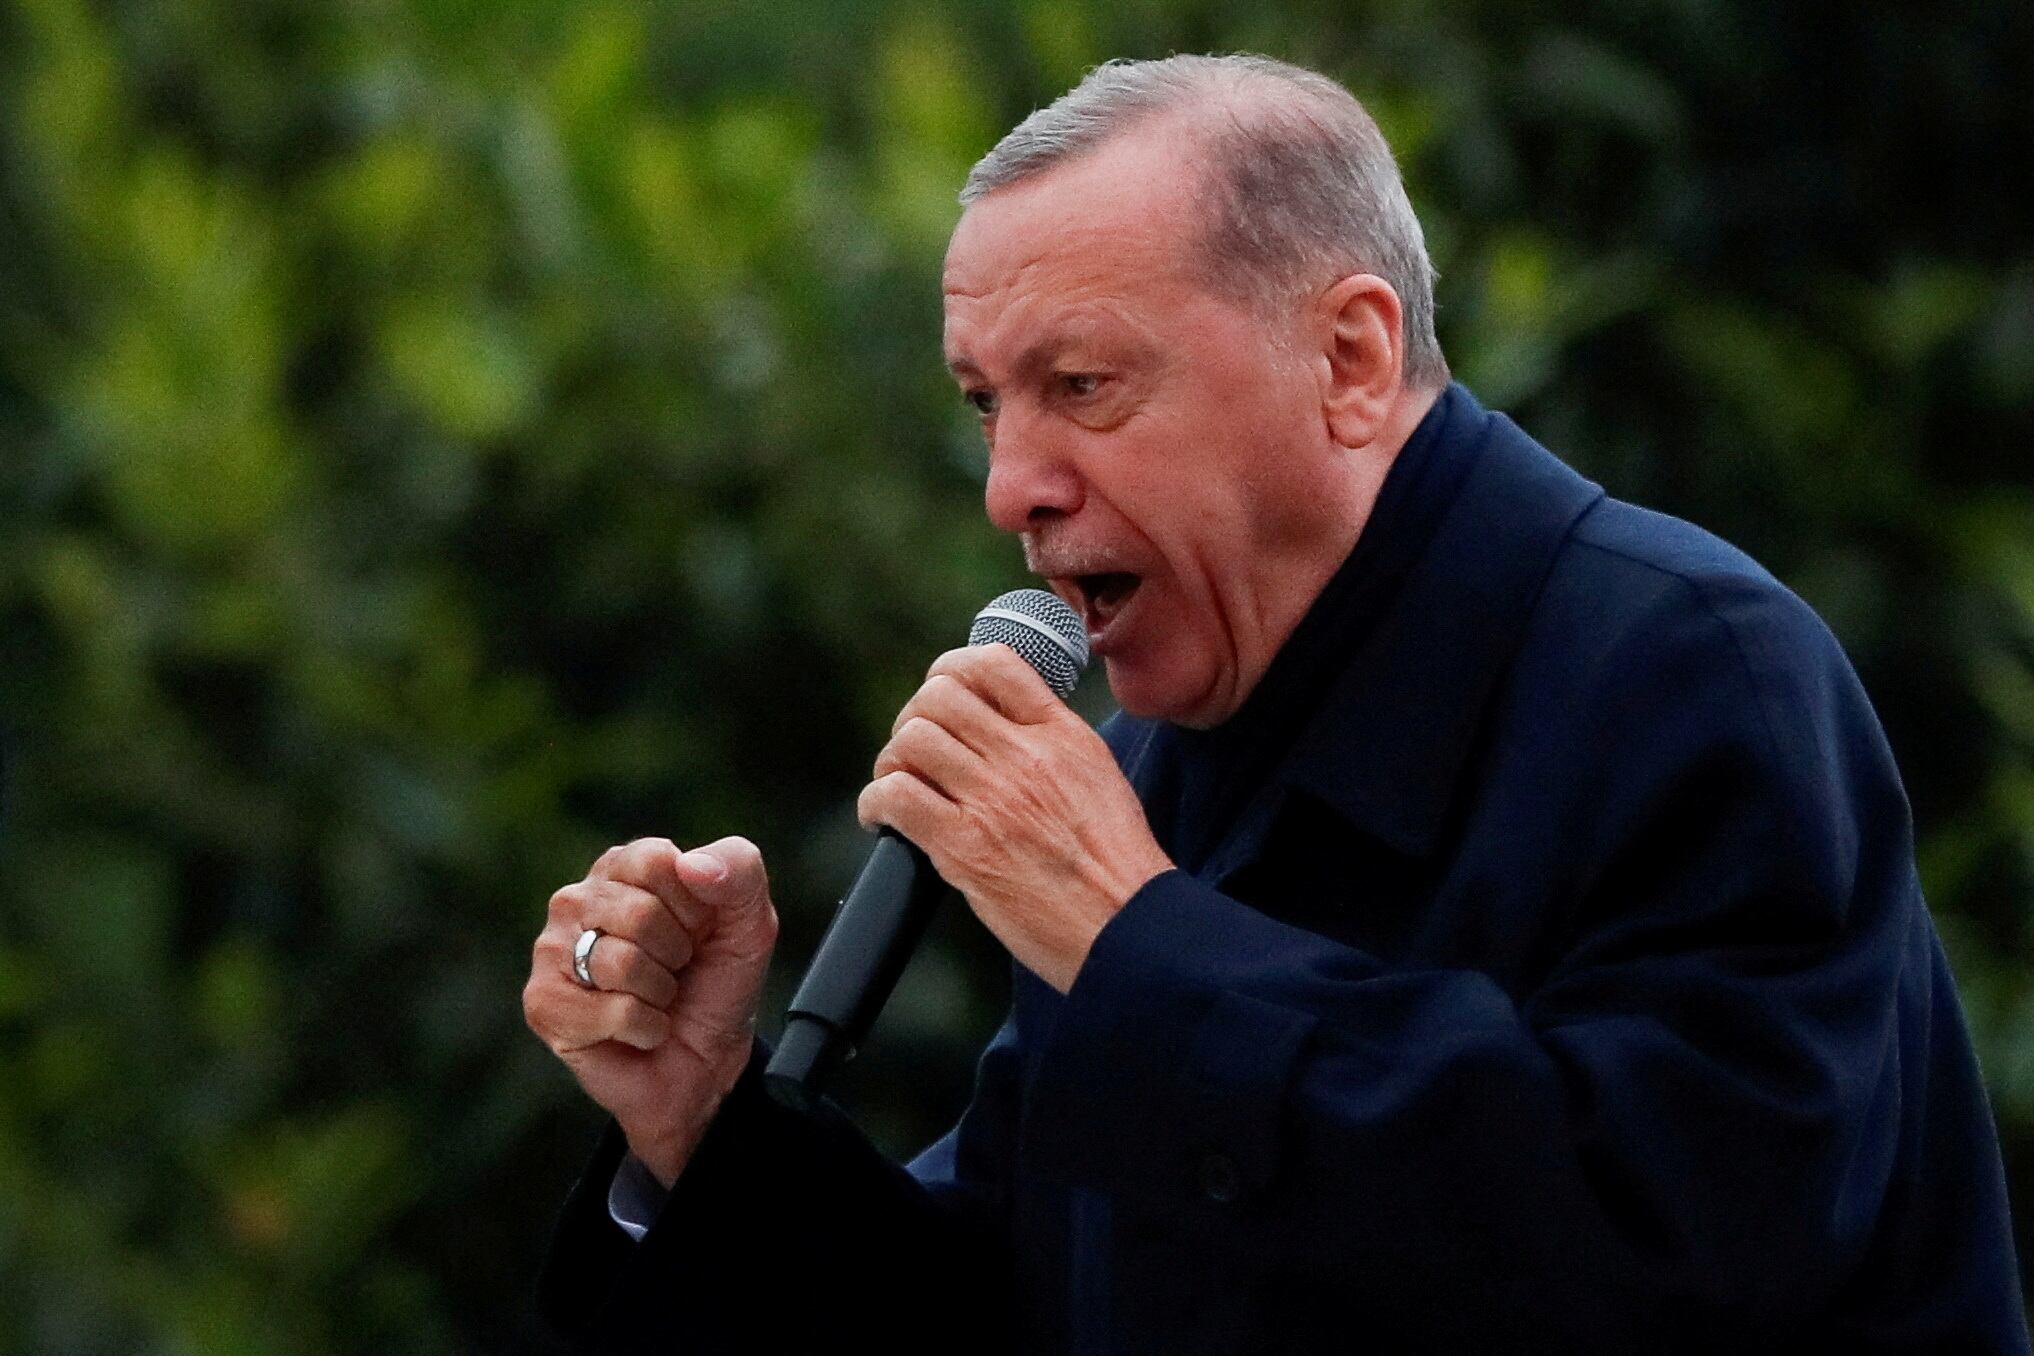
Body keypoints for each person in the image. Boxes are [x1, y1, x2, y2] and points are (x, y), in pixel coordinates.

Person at [521, 54, 2028, 1353]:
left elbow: (1665, 1274)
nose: (1008, 488)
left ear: (1351, 360)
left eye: (1086, 385)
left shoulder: (1689, 670)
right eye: (988, 402)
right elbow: (1011, 1307)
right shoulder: (1170, 755)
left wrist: (1138, 948)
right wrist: (699, 1125)